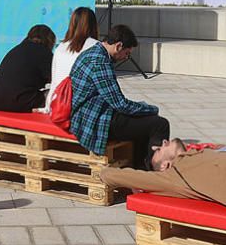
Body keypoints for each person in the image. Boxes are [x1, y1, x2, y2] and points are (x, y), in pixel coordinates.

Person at [69, 24, 166, 169]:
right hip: (93, 120)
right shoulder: (100, 61)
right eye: (127, 53)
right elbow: (120, 104)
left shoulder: (92, 53)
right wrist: (150, 109)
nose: (126, 57)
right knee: (159, 124)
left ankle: (140, 170)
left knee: (142, 123)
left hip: (89, 113)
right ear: (119, 46)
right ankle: (154, 171)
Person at [0, 24, 55, 112]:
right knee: (58, 95)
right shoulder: (44, 52)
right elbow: (57, 79)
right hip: (20, 102)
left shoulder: (16, 50)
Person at [45, 6, 99, 109]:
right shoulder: (96, 46)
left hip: (56, 106)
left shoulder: (60, 47)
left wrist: (49, 106)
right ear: (93, 25)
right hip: (81, 110)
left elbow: (54, 82)